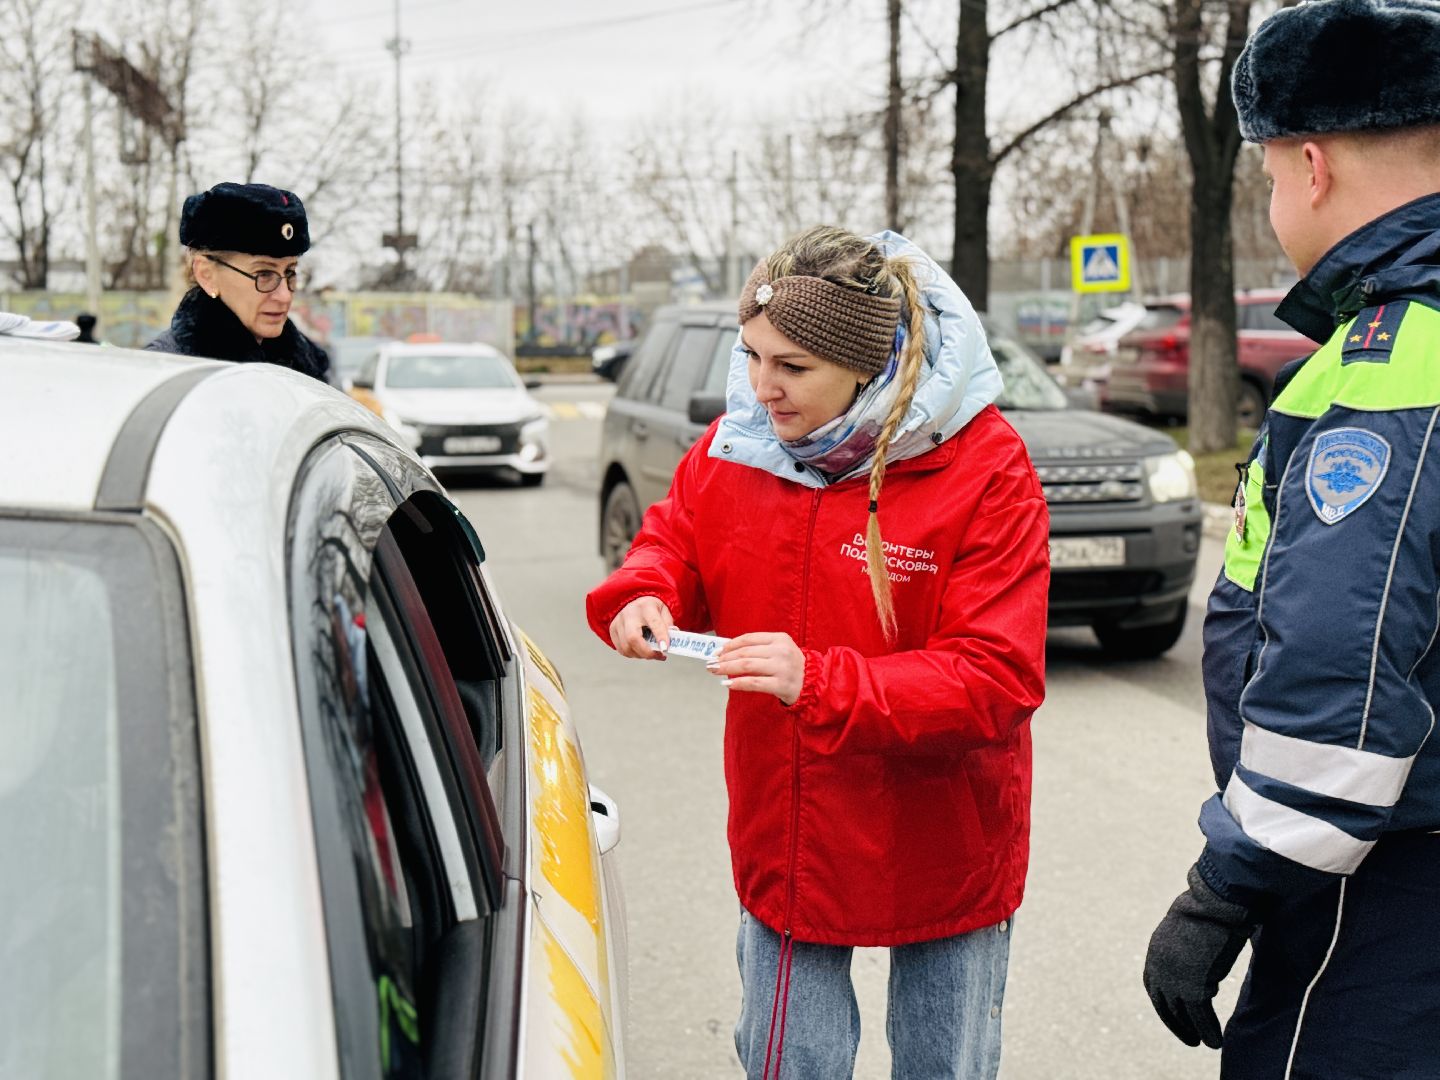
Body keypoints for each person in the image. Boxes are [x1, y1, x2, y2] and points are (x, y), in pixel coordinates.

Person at [586, 226, 1049, 1079]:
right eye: (751, 355)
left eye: (792, 367)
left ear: (867, 363)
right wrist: (643, 590)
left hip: (944, 832)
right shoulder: (739, 446)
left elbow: (997, 676)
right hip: (789, 824)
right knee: (786, 1063)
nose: (762, 388)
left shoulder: (984, 466)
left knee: (943, 1067)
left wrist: (819, 679)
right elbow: (674, 540)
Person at [1142, 2, 1440, 1075]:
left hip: (1380, 899)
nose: (1274, 200)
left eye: (1267, 176)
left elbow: (1341, 678)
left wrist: (1225, 890)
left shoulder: (1390, 360)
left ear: (1311, 165)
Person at [147, 181, 329, 382]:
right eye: (264, 274)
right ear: (206, 275)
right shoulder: (169, 373)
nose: (284, 295)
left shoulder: (307, 362)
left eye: (290, 272)